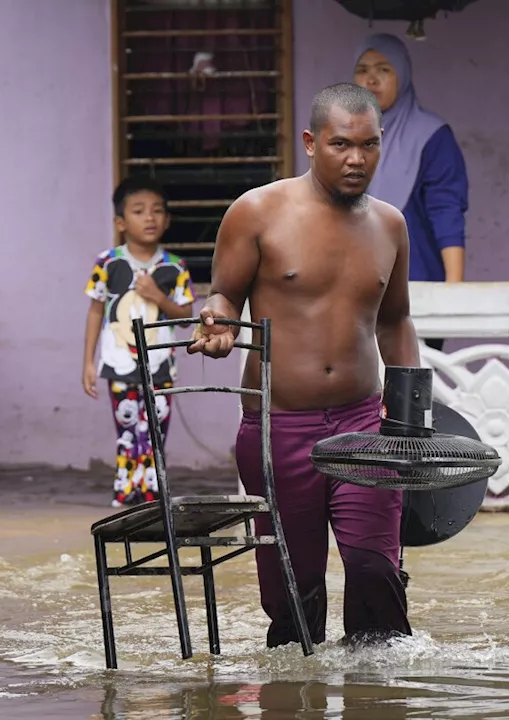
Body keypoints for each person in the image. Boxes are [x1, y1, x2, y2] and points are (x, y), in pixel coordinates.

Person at [187, 82, 421, 649]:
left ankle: (382, 700)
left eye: (369, 146)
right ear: (311, 142)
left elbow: (395, 323)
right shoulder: (257, 212)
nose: (356, 159)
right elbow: (223, 297)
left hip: (364, 425)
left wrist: (414, 419)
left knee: (374, 573)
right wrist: (216, 324)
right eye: (342, 145)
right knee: (296, 595)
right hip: (278, 428)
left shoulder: (390, 225)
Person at [83, 176, 196, 508]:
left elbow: (185, 314)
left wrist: (157, 295)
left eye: (157, 211)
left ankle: (153, 494)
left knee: (157, 432)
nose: (150, 217)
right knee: (129, 429)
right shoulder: (107, 262)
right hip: (119, 363)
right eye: (139, 211)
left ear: (167, 220)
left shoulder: (174, 266)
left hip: (160, 366)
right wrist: (88, 362)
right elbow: (95, 312)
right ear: (120, 222)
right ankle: (126, 493)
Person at [352, 32, 468, 352]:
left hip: (414, 288)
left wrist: (454, 290)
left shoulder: (431, 136)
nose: (371, 78)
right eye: (362, 69)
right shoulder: (343, 134)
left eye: (384, 69)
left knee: (411, 394)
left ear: (402, 76)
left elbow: (447, 210)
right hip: (351, 288)